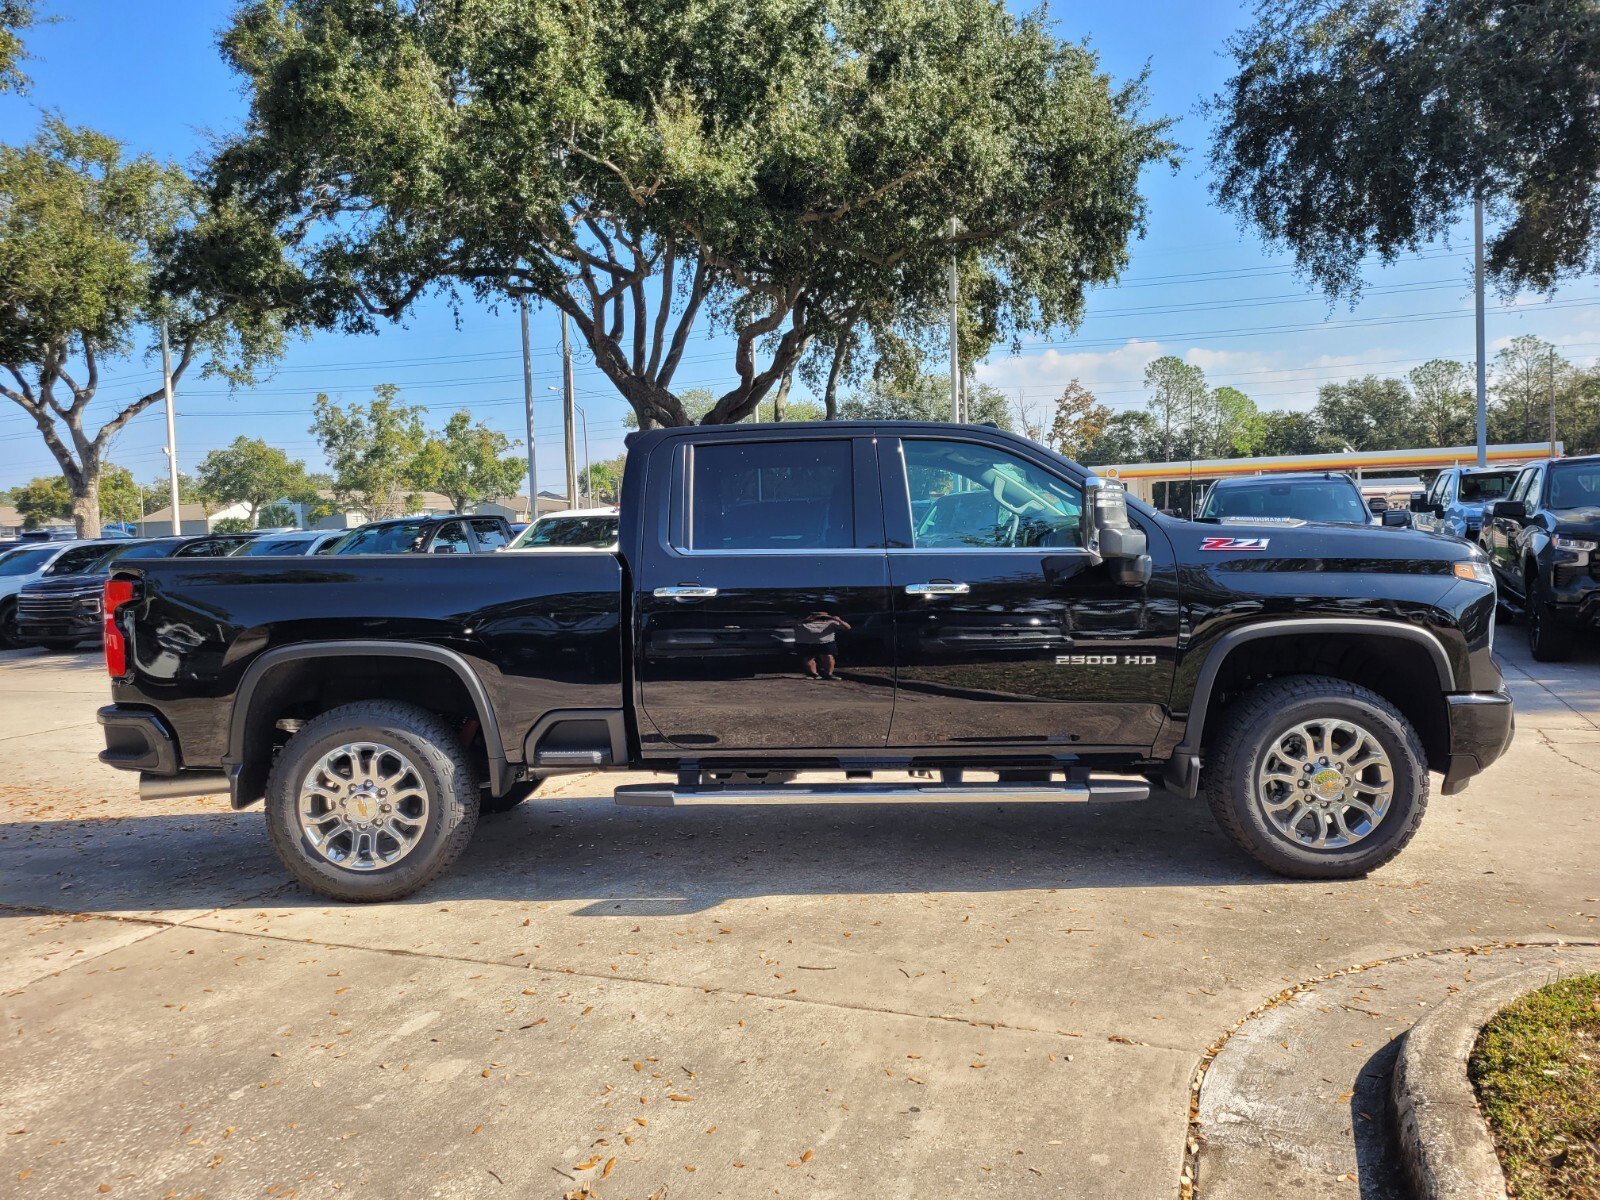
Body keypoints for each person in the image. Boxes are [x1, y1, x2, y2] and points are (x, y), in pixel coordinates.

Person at [793, 610, 851, 680]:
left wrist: (838, 620)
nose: (820, 619)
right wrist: (806, 620)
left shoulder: (831, 622)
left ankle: (829, 674)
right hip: (806, 643)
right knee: (808, 658)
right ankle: (813, 674)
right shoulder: (802, 623)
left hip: (826, 642)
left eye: (823, 617)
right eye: (818, 617)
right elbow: (791, 624)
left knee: (828, 657)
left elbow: (848, 627)